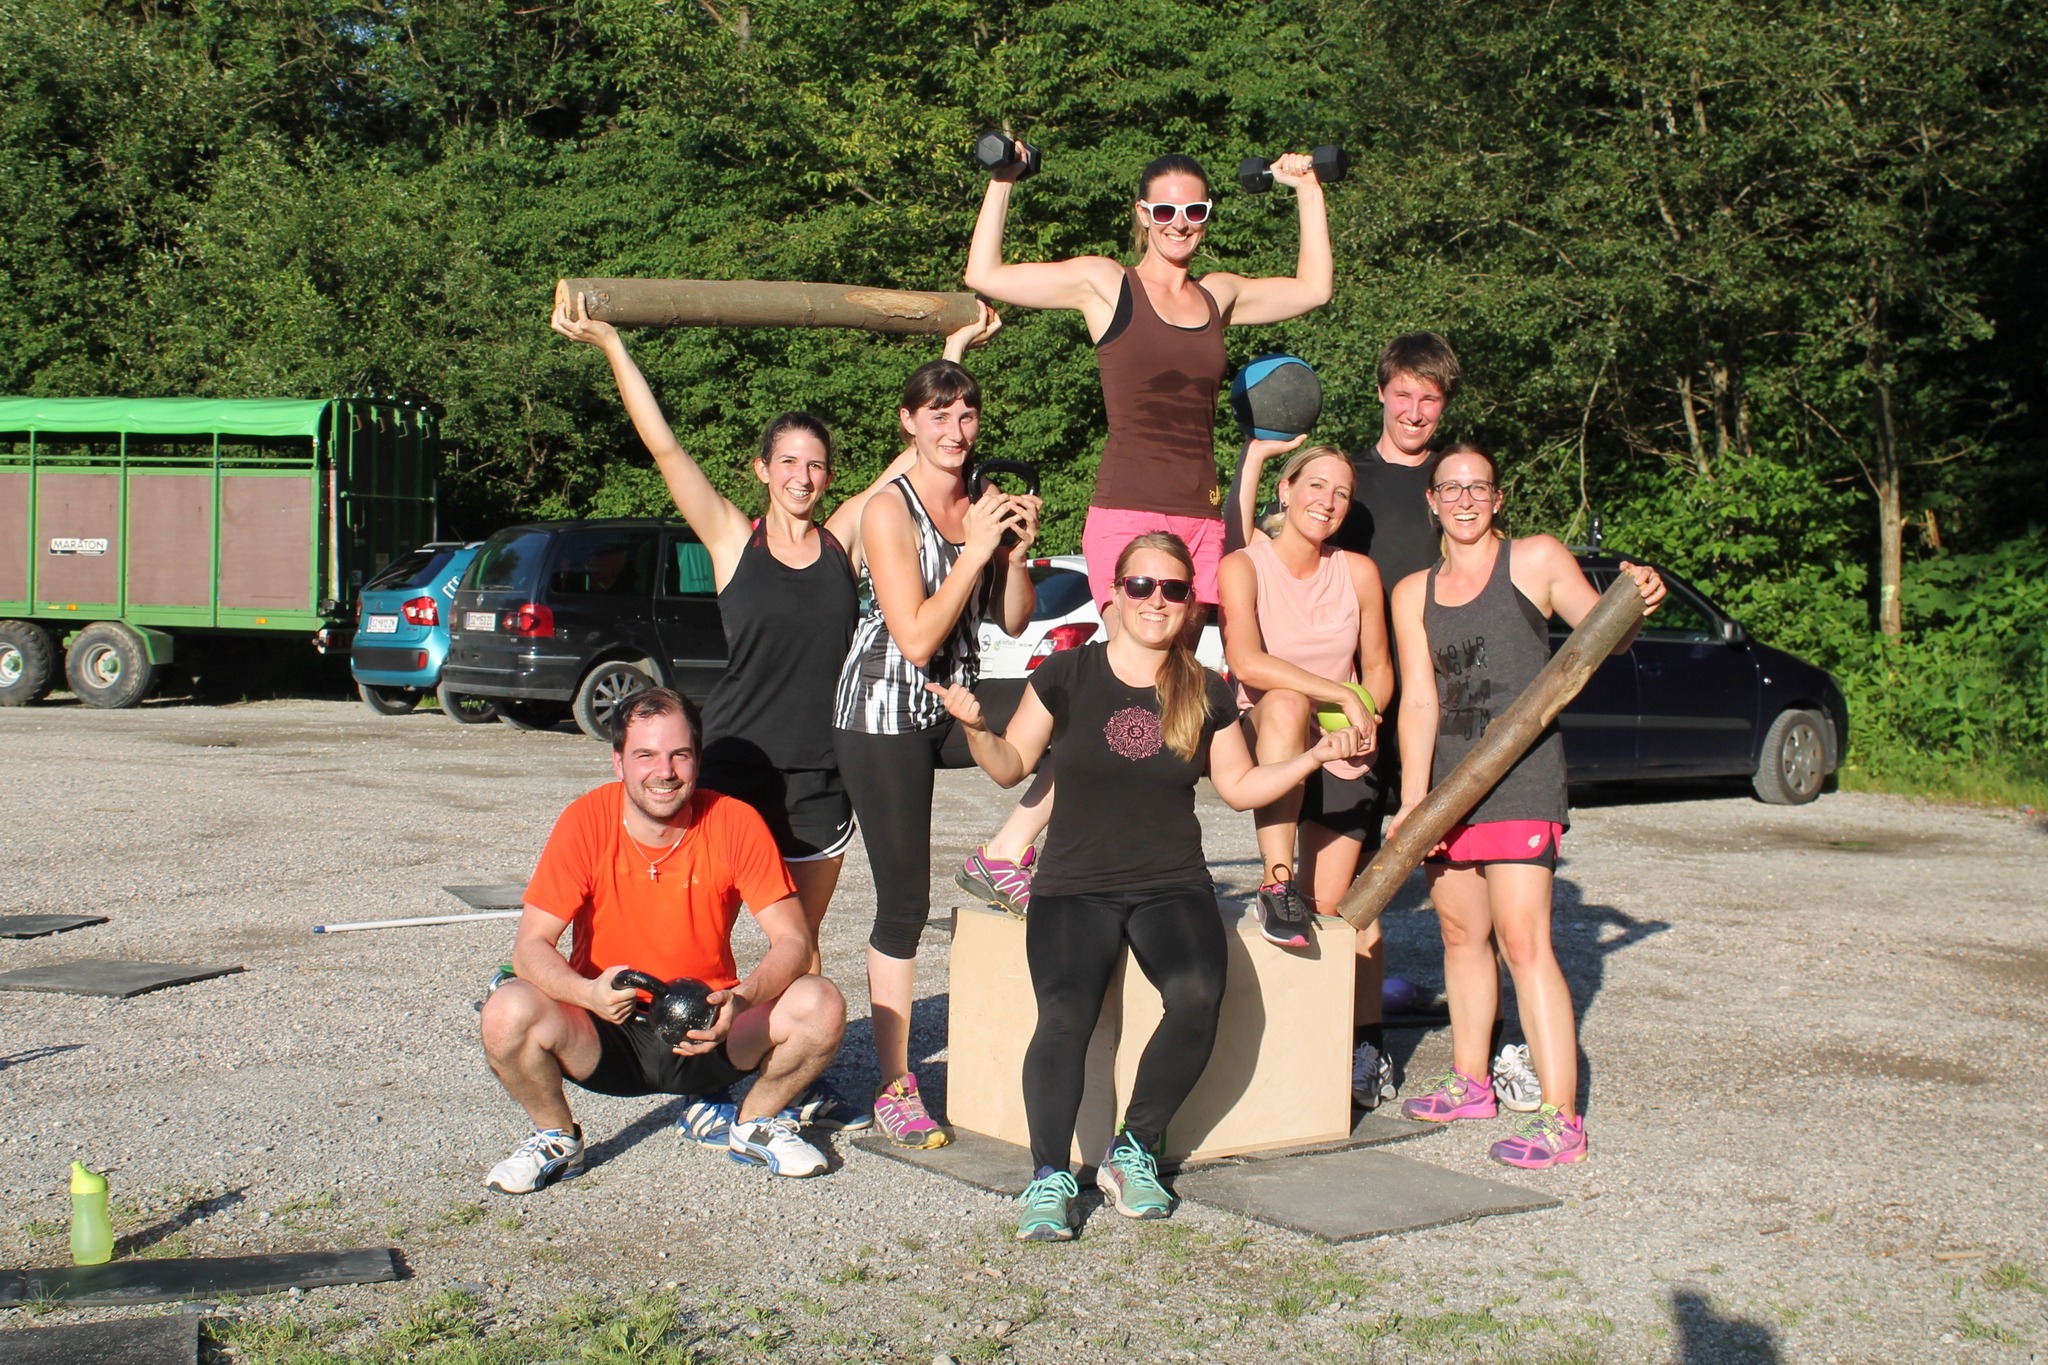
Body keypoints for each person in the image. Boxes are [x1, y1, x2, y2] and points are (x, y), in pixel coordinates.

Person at [549, 292, 1001, 1140]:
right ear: (762, 471)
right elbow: (663, 444)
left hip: (821, 776)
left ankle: (771, 1082)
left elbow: (930, 445)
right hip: (732, 776)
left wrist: (956, 345)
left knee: (800, 947)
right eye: (787, 462)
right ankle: (676, 1054)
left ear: (829, 477)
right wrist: (611, 341)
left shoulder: (846, 535)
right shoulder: (730, 539)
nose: (802, 475)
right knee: (707, 937)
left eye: (816, 465)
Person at [931, 532, 1364, 1240]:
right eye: (1141, 586)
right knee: (1066, 1012)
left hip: (1170, 883)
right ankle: (1048, 1177)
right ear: (1114, 597)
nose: (1156, 600)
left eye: (1172, 588)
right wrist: (979, 729)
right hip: (1076, 885)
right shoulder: (1067, 675)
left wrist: (1314, 752)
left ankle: (1136, 1145)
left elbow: (1240, 785)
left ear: (1188, 602)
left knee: (1197, 995)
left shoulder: (1204, 687)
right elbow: (1012, 766)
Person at [957, 143, 1336, 915]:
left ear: (1205, 220)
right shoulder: (1107, 282)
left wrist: (1305, 189)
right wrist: (1003, 179)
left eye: (1194, 211)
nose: (1179, 223)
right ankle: (1005, 849)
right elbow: (985, 275)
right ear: (1142, 215)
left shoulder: (1219, 294)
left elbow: (1314, 288)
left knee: (1171, 691)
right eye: (1164, 210)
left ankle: (1052, 851)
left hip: (1201, 519)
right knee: (1112, 684)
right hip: (1128, 513)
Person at [1387, 443, 1664, 1168]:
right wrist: (1414, 800)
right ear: (1432, 500)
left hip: (1521, 780)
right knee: (1458, 935)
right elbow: (1419, 698)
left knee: (1523, 942)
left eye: (1479, 486)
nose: (1466, 498)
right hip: (1450, 786)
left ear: (1499, 497)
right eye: (1451, 487)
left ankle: (1560, 1118)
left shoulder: (1536, 558)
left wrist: (1635, 599)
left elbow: (1605, 633)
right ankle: (1472, 1082)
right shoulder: (1411, 589)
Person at [480, 688, 850, 1190]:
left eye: (679, 754)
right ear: (618, 762)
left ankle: (755, 1122)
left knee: (820, 1001)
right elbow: (529, 948)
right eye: (646, 755)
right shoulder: (585, 820)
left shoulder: (734, 821)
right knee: (506, 1010)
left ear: (697, 759)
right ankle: (556, 1137)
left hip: (707, 1026)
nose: (665, 771)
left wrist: (739, 1001)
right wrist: (587, 993)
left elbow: (793, 941)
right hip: (604, 1026)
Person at [832, 358, 1039, 1148]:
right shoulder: (889, 509)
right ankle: (894, 1084)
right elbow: (916, 635)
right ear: (908, 423)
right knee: (905, 905)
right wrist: (971, 550)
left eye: (967, 415)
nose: (956, 430)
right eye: (939, 415)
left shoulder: (981, 504)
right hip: (883, 708)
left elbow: (1016, 622)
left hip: (952, 701)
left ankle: (1002, 853)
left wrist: (1012, 550)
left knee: (1077, 709)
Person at [1217, 444, 1398, 1107]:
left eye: (1341, 492)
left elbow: (1377, 667)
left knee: (1344, 910)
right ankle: (1275, 879)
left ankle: (1361, 1047)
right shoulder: (1244, 566)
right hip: (1273, 730)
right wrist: (1335, 692)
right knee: (1289, 704)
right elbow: (1246, 659)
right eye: (1315, 484)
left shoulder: (1358, 572)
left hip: (1346, 740)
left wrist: (1364, 708)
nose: (1326, 500)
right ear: (1285, 491)